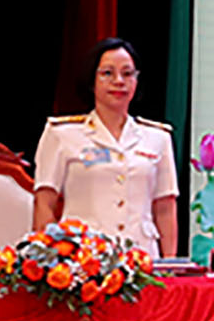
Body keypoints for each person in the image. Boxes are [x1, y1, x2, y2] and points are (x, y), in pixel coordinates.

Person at [34, 39, 181, 257]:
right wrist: (48, 259)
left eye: (127, 74)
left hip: (142, 259)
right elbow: (44, 203)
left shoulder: (158, 138)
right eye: (108, 73)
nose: (118, 81)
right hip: (82, 259)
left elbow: (165, 209)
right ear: (92, 81)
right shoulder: (62, 134)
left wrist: (169, 266)